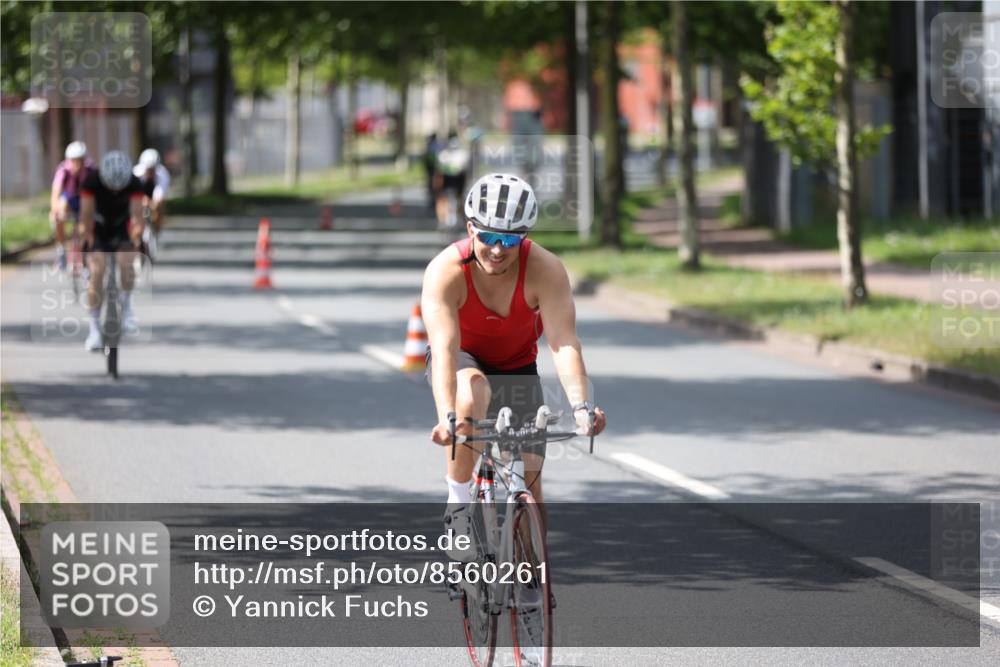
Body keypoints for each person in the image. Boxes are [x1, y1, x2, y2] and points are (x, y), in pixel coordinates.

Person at [421, 173, 607, 559]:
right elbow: (444, 347)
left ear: (524, 237)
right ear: (470, 228)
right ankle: (458, 506)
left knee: (531, 488)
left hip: (518, 366)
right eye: (488, 236)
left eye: (510, 239)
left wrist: (581, 407)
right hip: (462, 359)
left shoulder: (545, 269)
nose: (497, 249)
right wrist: (447, 418)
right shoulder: (445, 271)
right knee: (473, 394)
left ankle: (528, 586)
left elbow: (563, 341)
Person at [79, 151, 146, 351]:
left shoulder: (134, 183)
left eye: (120, 187)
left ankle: (126, 305)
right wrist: (89, 240)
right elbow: (86, 217)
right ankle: (94, 329)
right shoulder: (91, 182)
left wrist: (136, 237)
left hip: (120, 227)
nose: (115, 190)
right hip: (98, 228)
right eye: (111, 187)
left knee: (127, 261)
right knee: (97, 272)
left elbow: (137, 217)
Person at [49, 141, 95, 270]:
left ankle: (85, 255)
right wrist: (55, 211)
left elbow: (96, 193)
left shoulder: (91, 170)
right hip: (69, 199)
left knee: (85, 227)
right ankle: (62, 250)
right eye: (74, 161)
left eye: (80, 160)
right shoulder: (63, 170)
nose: (77, 165)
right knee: (59, 212)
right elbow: (56, 193)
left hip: (85, 200)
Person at [133, 148, 170, 255]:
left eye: (153, 170)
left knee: (159, 207)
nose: (151, 172)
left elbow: (159, 196)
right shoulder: (135, 174)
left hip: (154, 192)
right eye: (148, 170)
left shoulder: (163, 174)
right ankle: (136, 239)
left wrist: (153, 204)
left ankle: (156, 230)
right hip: (140, 193)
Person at [433, 130, 470, 230]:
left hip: (454, 179)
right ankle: (445, 221)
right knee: (446, 199)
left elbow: (439, 172)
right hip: (453, 179)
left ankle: (444, 221)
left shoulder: (443, 153)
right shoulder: (458, 154)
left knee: (446, 199)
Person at [423, 132, 441, 214]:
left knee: (433, 185)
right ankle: (433, 199)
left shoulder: (430, 145)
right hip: (432, 169)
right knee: (432, 185)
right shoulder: (436, 145)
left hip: (433, 169)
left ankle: (433, 199)